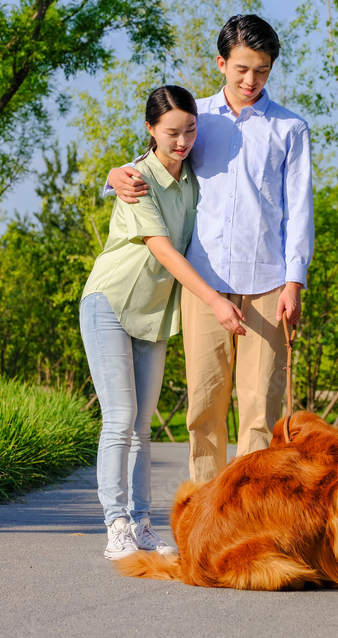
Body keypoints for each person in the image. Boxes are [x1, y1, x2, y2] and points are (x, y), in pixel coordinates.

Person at [106, 14, 314, 484]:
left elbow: (300, 211)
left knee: (261, 412)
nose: (250, 80)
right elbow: (157, 157)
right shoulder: (196, 119)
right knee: (204, 408)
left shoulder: (290, 129)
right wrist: (115, 174)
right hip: (205, 286)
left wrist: (294, 281)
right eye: (241, 68)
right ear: (221, 63)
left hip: (269, 284)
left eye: (261, 70)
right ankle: (206, 518)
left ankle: (254, 520)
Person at [81, 85, 246, 560]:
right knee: (119, 418)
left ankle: (141, 521)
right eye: (171, 132)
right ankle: (115, 525)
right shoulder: (138, 179)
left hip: (152, 314)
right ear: (150, 130)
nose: (182, 141)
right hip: (110, 301)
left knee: (142, 426)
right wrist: (215, 301)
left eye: (190, 130)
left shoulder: (193, 179)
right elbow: (164, 249)